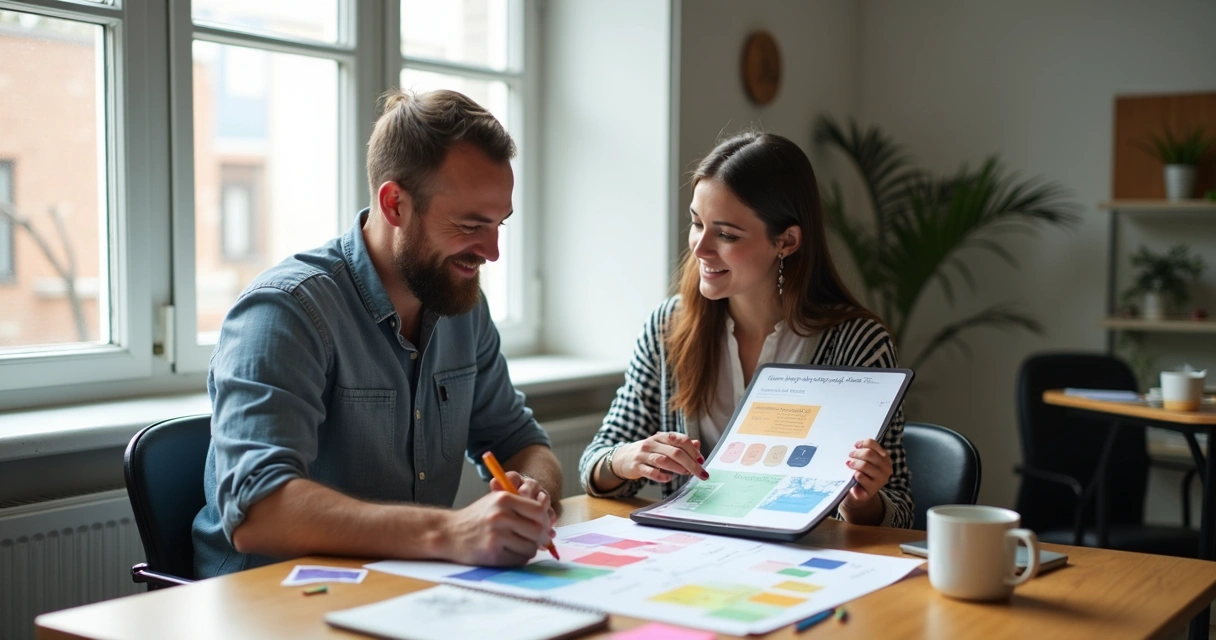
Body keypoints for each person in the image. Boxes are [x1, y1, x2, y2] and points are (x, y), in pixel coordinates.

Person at [192, 89, 562, 577]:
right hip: (270, 602)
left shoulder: (461, 303)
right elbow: (259, 511)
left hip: (398, 590)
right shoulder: (285, 311)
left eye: (498, 225)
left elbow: (522, 441)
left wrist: (533, 491)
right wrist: (449, 533)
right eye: (471, 224)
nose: (491, 252)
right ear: (395, 204)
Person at [578, 131, 913, 528]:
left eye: (726, 234)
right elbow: (595, 465)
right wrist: (626, 459)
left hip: (803, 568)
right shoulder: (668, 327)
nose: (700, 248)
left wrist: (860, 503)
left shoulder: (859, 344)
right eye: (696, 223)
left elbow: (901, 510)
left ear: (786, 241)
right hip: (689, 558)